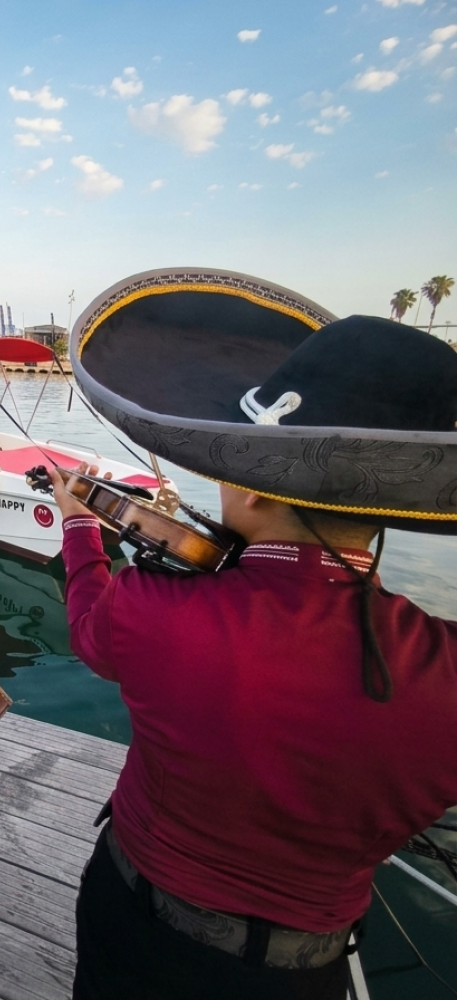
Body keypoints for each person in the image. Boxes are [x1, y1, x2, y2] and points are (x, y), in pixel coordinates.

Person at [55, 307, 457, 1000]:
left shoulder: (154, 607)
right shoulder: (442, 668)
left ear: (246, 481)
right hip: (304, 972)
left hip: (136, 931)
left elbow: (91, 627)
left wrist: (79, 529)